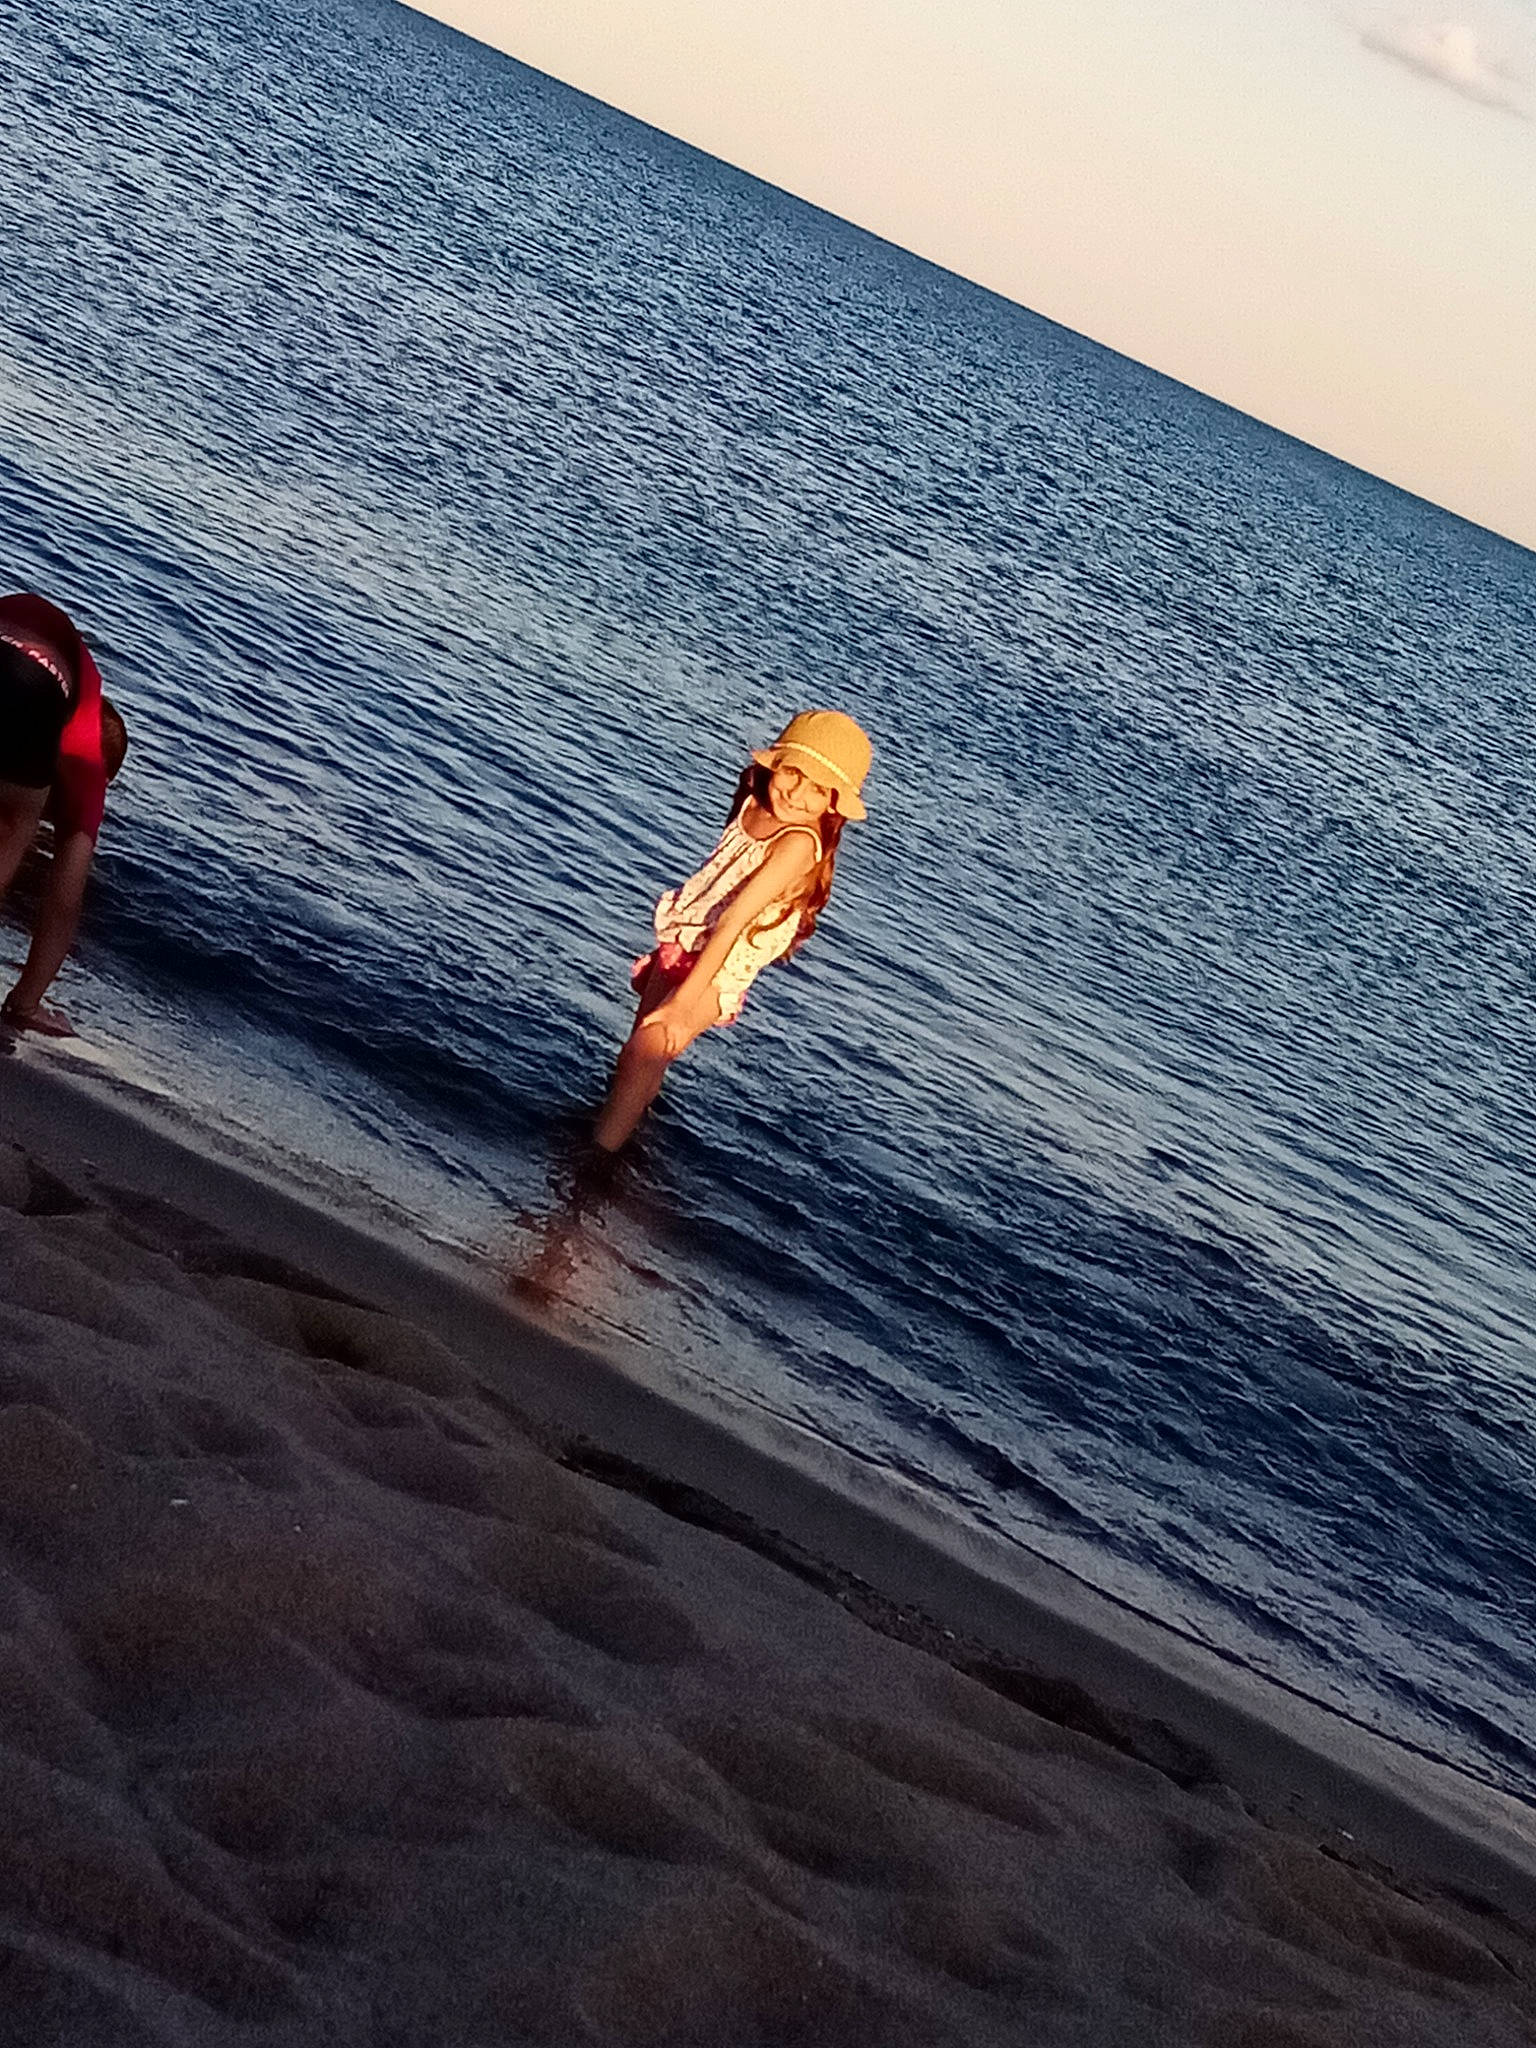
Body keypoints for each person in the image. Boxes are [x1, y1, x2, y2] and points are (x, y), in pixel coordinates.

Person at [593, 708, 872, 1152]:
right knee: (638, 1059)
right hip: (690, 938)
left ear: (833, 803)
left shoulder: (799, 843)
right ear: (775, 763)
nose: (797, 794)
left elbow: (735, 919)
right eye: (794, 774)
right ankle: (628, 1144)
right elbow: (718, 875)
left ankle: (591, 1166)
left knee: (649, 1046)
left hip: (722, 966)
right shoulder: (753, 800)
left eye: (818, 789)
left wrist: (685, 1005)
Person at [0, 592, 120, 1037]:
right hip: (32, 684)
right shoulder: (87, 753)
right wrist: (27, 1001)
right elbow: (64, 901)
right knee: (14, 827)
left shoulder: (83, 679)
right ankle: (25, 1006)